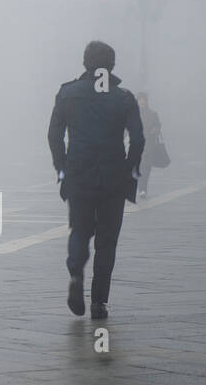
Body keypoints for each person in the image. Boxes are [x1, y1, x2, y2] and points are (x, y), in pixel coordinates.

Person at [47, 40, 144, 320]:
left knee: (79, 230)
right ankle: (99, 302)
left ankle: (76, 274)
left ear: (85, 63)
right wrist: (129, 168)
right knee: (107, 241)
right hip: (113, 177)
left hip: (79, 175)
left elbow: (54, 136)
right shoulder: (124, 98)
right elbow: (137, 138)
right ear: (111, 65)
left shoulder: (67, 94)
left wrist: (62, 167)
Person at [136, 93, 167, 198]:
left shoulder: (153, 114)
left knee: (146, 167)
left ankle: (143, 189)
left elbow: (158, 126)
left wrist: (154, 130)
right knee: (139, 167)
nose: (142, 102)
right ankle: (141, 188)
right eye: (140, 100)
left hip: (149, 145)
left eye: (143, 100)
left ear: (146, 101)